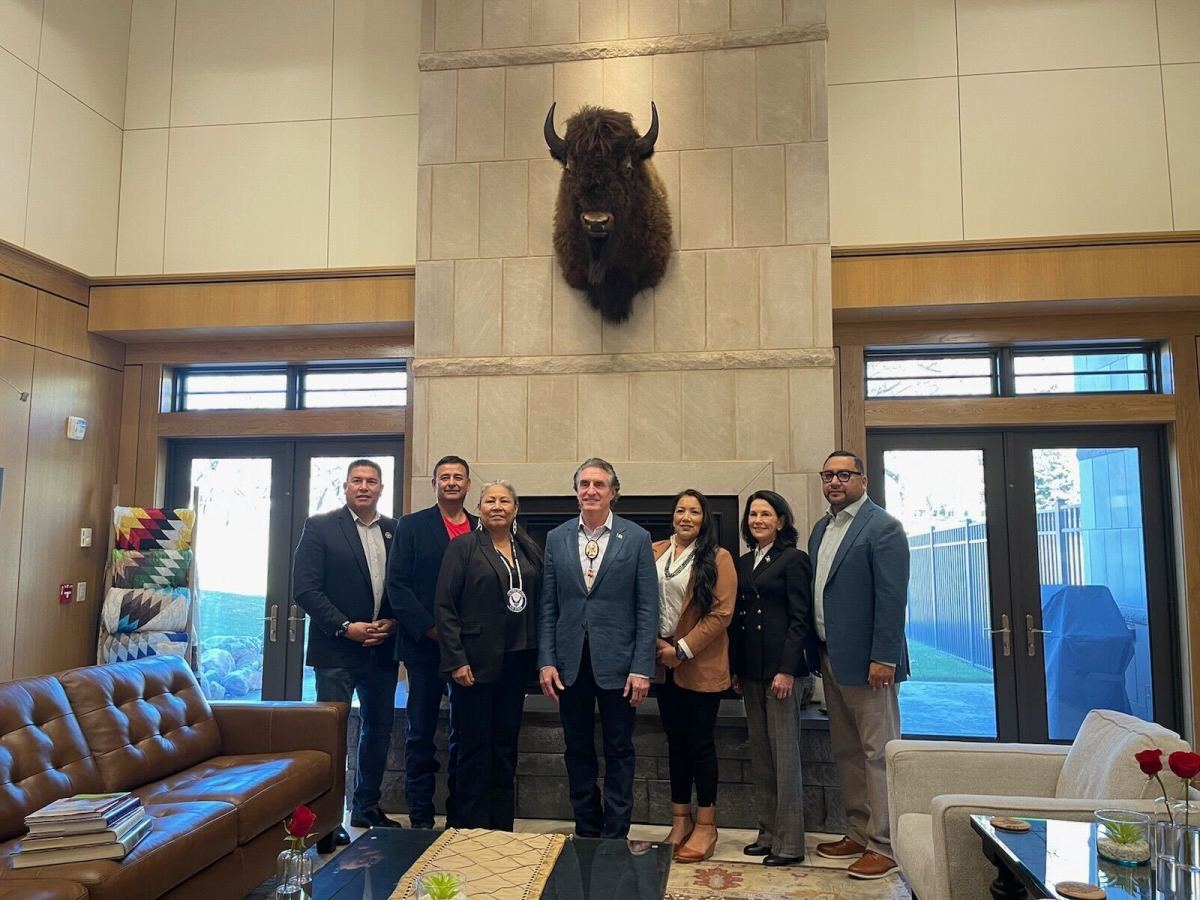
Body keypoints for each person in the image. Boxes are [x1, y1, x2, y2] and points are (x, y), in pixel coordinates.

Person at [537, 458, 658, 839]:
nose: (591, 491)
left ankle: (615, 832)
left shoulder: (636, 538)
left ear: (613, 492)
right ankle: (587, 828)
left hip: (620, 666)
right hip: (570, 664)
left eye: (599, 485)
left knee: (619, 749)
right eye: (584, 484)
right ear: (576, 491)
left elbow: (647, 606)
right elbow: (548, 605)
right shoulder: (556, 537)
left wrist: (642, 668)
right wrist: (546, 661)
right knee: (577, 748)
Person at [808, 450, 910, 880]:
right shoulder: (821, 529)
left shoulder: (883, 528)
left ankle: (885, 845)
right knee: (847, 749)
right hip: (832, 656)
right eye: (828, 475)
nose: (835, 481)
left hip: (872, 664)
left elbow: (891, 598)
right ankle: (857, 830)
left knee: (879, 753)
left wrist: (883, 657)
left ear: (863, 480)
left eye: (844, 474)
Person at [293, 459, 401, 840]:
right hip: (337, 651)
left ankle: (366, 807)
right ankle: (327, 821)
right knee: (332, 736)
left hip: (381, 650)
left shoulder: (394, 530)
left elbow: (401, 586)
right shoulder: (320, 526)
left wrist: (392, 621)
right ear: (345, 486)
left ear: (381, 488)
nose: (364, 487)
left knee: (379, 731)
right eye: (357, 480)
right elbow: (305, 589)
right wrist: (344, 627)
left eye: (372, 481)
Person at [434, 481, 542, 831]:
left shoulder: (527, 548)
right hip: (474, 663)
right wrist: (456, 660)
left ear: (516, 509)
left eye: (505, 500)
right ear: (479, 508)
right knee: (473, 748)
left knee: (505, 747)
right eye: (490, 500)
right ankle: (468, 826)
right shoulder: (464, 547)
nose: (497, 506)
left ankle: (501, 827)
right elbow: (445, 607)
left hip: (515, 662)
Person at [387, 455, 476, 829]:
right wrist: (431, 628)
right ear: (435, 484)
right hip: (424, 648)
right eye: (444, 477)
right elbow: (398, 586)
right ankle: (421, 815)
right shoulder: (412, 526)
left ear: (468, 484)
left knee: (465, 734)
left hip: (469, 650)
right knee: (420, 734)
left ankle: (460, 813)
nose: (451, 483)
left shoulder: (482, 527)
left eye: (458, 477)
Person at [730, 489, 814, 867]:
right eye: (753, 515)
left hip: (782, 672)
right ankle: (766, 832)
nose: (758, 520)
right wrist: (735, 667)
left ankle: (791, 843)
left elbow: (801, 619)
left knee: (784, 757)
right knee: (762, 756)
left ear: (781, 521)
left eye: (766, 514)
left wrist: (787, 669)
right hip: (751, 670)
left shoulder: (794, 560)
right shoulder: (745, 562)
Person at [652, 489, 736, 864]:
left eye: (695, 512)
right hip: (660, 661)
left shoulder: (719, 558)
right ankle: (680, 820)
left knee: (700, 743)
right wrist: (657, 645)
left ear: (705, 519)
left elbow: (721, 614)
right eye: (681, 510)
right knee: (675, 742)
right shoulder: (654, 551)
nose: (686, 517)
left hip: (697, 661)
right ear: (672, 516)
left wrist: (681, 649)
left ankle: (707, 826)